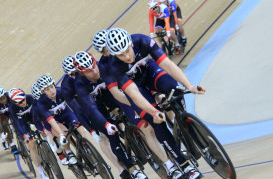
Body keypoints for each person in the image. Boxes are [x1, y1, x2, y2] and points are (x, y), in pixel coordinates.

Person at [106, 28, 205, 179]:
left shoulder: (142, 41)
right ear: (114, 55)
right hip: (137, 87)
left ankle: (181, 122)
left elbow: (168, 65)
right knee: (156, 122)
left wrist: (189, 86)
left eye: (127, 50)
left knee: (174, 89)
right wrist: (153, 112)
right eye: (121, 55)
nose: (126, 56)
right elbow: (133, 93)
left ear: (130, 43)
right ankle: (184, 165)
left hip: (150, 72)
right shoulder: (114, 66)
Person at [74, 51, 148, 179]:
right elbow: (92, 109)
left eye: (94, 66)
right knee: (111, 134)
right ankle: (132, 170)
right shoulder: (80, 85)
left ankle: (132, 131)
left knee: (126, 103)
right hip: (95, 106)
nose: (95, 71)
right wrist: (107, 124)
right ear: (82, 73)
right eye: (89, 71)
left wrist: (134, 104)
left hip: (109, 95)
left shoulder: (102, 67)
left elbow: (119, 89)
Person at [35, 74, 78, 165]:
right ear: (43, 91)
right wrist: (61, 134)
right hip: (54, 122)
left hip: (66, 115)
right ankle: (69, 152)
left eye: (51, 87)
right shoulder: (41, 103)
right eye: (47, 89)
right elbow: (51, 120)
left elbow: (75, 105)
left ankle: (86, 149)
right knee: (65, 133)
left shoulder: (61, 91)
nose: (51, 91)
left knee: (80, 130)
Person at [8, 88, 49, 179]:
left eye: (23, 99)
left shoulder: (30, 98)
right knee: (32, 145)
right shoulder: (12, 108)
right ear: (14, 103)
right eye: (19, 102)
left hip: (32, 116)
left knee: (43, 127)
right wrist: (24, 135)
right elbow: (18, 124)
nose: (23, 102)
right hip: (21, 122)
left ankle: (47, 143)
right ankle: (41, 173)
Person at [0, 84, 19, 154]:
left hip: (13, 111)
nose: (3, 100)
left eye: (4, 97)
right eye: (0, 99)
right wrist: (3, 132)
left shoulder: (10, 96)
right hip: (3, 115)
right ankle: (12, 144)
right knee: (3, 124)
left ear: (5, 94)